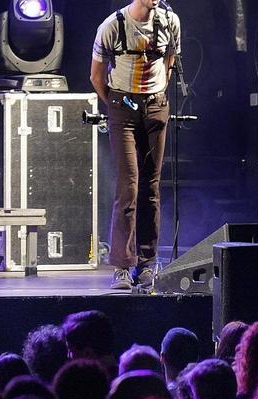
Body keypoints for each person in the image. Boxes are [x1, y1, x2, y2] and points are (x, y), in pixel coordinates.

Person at [90, 0, 182, 290]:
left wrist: (155, 96)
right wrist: (119, 107)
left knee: (151, 188)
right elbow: (96, 76)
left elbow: (169, 62)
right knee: (128, 184)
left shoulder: (170, 22)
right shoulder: (112, 26)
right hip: (122, 108)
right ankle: (121, 265)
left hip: (155, 107)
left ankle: (147, 263)